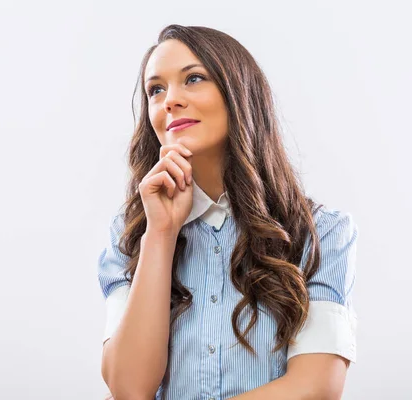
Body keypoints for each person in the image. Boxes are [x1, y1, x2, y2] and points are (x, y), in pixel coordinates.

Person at [97, 24, 358, 400]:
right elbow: (128, 388)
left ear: (238, 93)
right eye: (156, 89)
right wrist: (161, 234)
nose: (170, 99)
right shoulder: (131, 233)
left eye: (193, 79)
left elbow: (315, 388)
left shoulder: (322, 233)